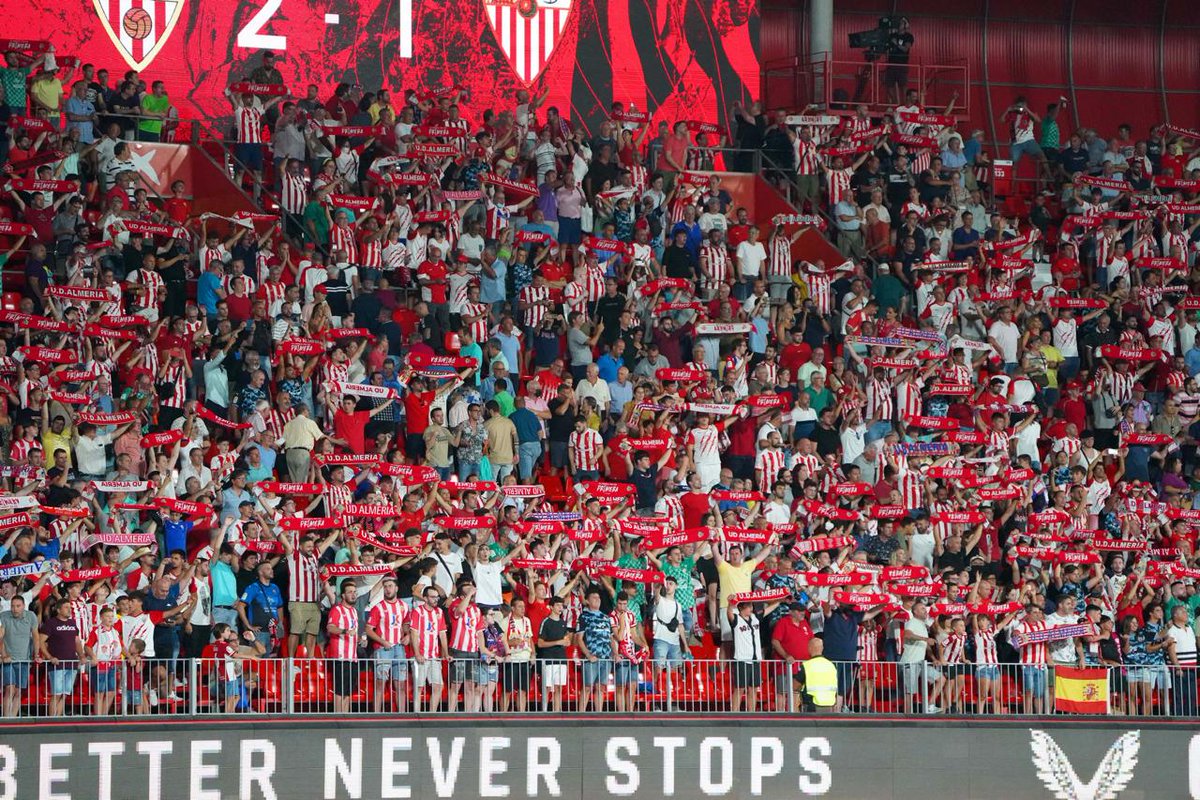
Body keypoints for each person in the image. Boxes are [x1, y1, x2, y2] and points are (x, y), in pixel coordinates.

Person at [798, 637, 839, 712]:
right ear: (822, 648)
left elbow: (795, 685)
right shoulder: (831, 665)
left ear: (810, 648)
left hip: (812, 705)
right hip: (829, 705)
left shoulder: (807, 665)